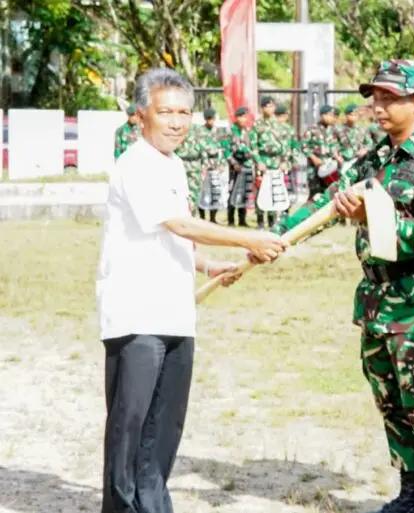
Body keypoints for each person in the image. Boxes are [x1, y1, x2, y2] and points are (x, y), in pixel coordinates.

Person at [273, 59, 414, 513]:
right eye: (375, 97)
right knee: (392, 400)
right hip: (377, 300)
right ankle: (410, 488)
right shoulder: (376, 158)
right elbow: (327, 201)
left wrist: (372, 217)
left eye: (389, 97)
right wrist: (279, 236)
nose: (378, 107)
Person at [96, 67, 287, 513]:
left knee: (164, 427)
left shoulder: (175, 165)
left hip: (176, 313)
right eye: (166, 112)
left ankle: (154, 504)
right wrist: (248, 238)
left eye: (184, 112)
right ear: (141, 116)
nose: (177, 122)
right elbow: (178, 222)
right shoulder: (135, 164)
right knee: (130, 426)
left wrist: (209, 264)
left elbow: (175, 237)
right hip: (136, 317)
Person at [253, 96, 287, 227]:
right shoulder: (257, 124)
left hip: (276, 162)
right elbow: (253, 146)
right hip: (263, 162)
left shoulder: (279, 124)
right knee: (261, 191)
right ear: (262, 108)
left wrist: (284, 161)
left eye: (272, 106)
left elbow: (285, 145)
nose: (270, 108)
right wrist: (258, 161)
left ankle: (272, 221)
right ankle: (260, 221)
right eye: (267, 106)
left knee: (274, 191)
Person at [224, 106, 258, 227]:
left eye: (245, 117)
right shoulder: (230, 131)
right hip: (235, 166)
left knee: (245, 192)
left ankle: (242, 219)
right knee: (233, 191)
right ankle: (231, 219)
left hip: (247, 165)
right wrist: (234, 163)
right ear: (237, 117)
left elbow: (253, 149)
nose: (244, 119)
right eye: (242, 116)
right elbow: (225, 150)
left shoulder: (249, 131)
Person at [301, 104, 341, 197]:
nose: (333, 118)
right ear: (323, 115)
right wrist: (313, 158)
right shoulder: (312, 130)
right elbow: (303, 146)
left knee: (330, 194)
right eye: (331, 115)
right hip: (315, 169)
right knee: (315, 195)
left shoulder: (333, 130)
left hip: (330, 168)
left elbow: (336, 146)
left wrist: (337, 156)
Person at [197, 108, 228, 222]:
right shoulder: (199, 131)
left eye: (213, 118)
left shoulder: (219, 132)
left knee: (215, 192)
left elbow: (224, 148)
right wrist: (203, 166)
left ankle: (213, 218)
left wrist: (222, 163)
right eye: (209, 119)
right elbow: (199, 149)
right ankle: (202, 218)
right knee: (203, 192)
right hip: (204, 165)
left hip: (216, 165)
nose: (211, 121)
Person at [175, 117, 203, 212]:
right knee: (179, 192)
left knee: (194, 192)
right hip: (180, 163)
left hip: (195, 165)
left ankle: (192, 214)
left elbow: (203, 147)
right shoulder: (176, 128)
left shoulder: (198, 129)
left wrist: (205, 164)